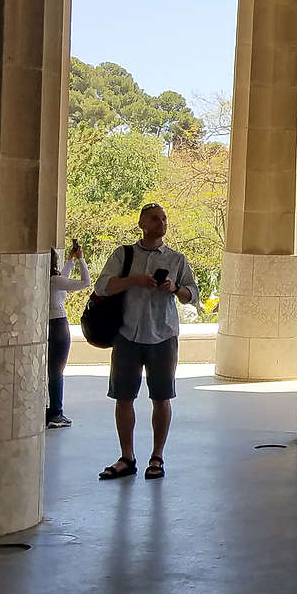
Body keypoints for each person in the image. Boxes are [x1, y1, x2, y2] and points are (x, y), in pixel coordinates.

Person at [93, 203, 198, 481]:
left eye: (164, 218)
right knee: (123, 397)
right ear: (142, 224)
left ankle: (157, 456)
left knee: (162, 397)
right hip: (127, 333)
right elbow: (102, 286)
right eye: (154, 218)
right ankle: (126, 457)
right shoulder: (123, 254)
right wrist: (135, 280)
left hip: (163, 335)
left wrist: (174, 288)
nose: (161, 222)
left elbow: (193, 295)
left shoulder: (177, 259)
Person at [46, 240, 90, 429]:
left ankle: (51, 409)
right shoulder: (54, 281)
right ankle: (56, 412)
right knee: (57, 371)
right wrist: (81, 260)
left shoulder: (48, 281)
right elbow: (85, 282)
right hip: (58, 325)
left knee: (51, 370)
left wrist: (71, 260)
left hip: (47, 324)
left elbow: (63, 280)